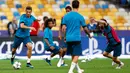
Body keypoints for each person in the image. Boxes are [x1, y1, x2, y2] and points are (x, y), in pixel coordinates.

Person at [62, 0, 92, 73]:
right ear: (78, 6)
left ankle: (78, 70)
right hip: (76, 38)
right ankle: (70, 70)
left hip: (68, 38)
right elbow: (85, 28)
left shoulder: (66, 16)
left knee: (73, 54)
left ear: (72, 6)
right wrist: (89, 34)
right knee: (77, 54)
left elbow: (63, 28)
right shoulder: (80, 16)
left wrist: (65, 37)